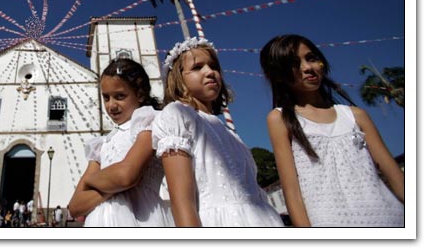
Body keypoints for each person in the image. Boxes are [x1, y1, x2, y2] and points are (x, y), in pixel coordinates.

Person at [260, 34, 404, 227]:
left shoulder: (355, 115)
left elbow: (394, 176)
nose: (307, 67)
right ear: (278, 75)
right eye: (294, 63)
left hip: (389, 218)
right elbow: (292, 192)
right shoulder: (280, 119)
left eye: (311, 58)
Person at [152, 36, 284, 227]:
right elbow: (182, 201)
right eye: (197, 68)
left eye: (213, 66)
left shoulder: (229, 132)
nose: (210, 72)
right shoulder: (177, 115)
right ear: (178, 78)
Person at [68, 58, 173, 227]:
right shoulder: (102, 144)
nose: (111, 105)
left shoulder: (148, 123)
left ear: (139, 94)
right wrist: (110, 185)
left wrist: (90, 182)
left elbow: (126, 176)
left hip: (142, 219)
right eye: (106, 98)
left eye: (119, 96)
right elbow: (74, 206)